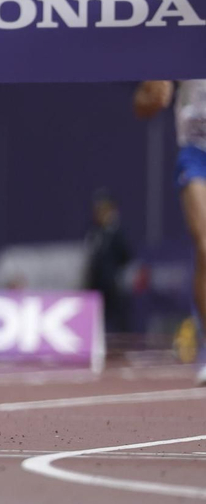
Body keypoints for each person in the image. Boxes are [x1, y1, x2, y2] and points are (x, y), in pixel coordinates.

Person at [134, 79, 206, 384]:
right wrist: (153, 95)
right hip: (197, 153)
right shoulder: (183, 36)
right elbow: (142, 103)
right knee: (205, 246)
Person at [81, 193, 132, 337]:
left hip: (112, 283)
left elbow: (126, 256)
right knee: (96, 317)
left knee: (119, 318)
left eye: (104, 210)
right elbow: (91, 256)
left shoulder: (117, 233)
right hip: (96, 283)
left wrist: (116, 273)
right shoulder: (93, 232)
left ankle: (124, 343)